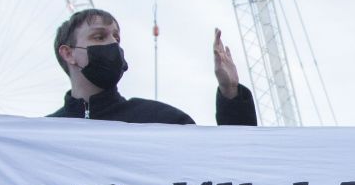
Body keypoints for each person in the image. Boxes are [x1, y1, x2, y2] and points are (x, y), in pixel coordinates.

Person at [48, 10, 257, 125]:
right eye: (99, 36)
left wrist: (231, 94)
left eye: (116, 38)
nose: (112, 44)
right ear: (68, 53)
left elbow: (231, 162)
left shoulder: (164, 122)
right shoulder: (40, 136)